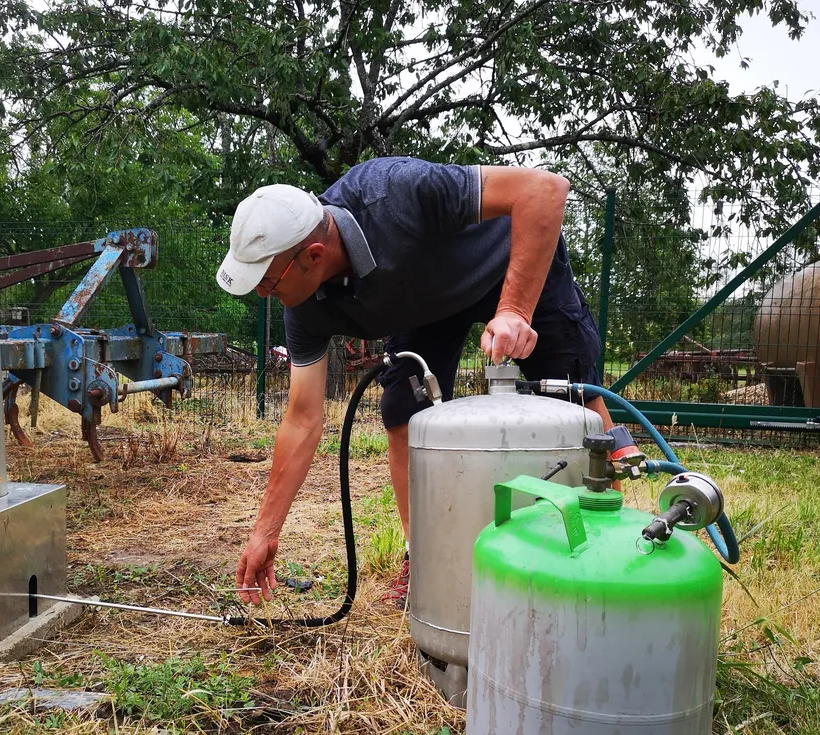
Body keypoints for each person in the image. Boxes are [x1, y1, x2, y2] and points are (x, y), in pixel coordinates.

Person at [215, 157, 614, 608]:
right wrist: (265, 532)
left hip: (511, 266)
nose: (263, 294)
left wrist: (514, 311)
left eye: (268, 282)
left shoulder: (394, 193)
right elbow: (302, 419)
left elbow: (544, 190)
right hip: (429, 302)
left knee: (578, 403)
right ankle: (424, 559)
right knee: (404, 413)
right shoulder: (305, 309)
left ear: (314, 255)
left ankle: (613, 550)